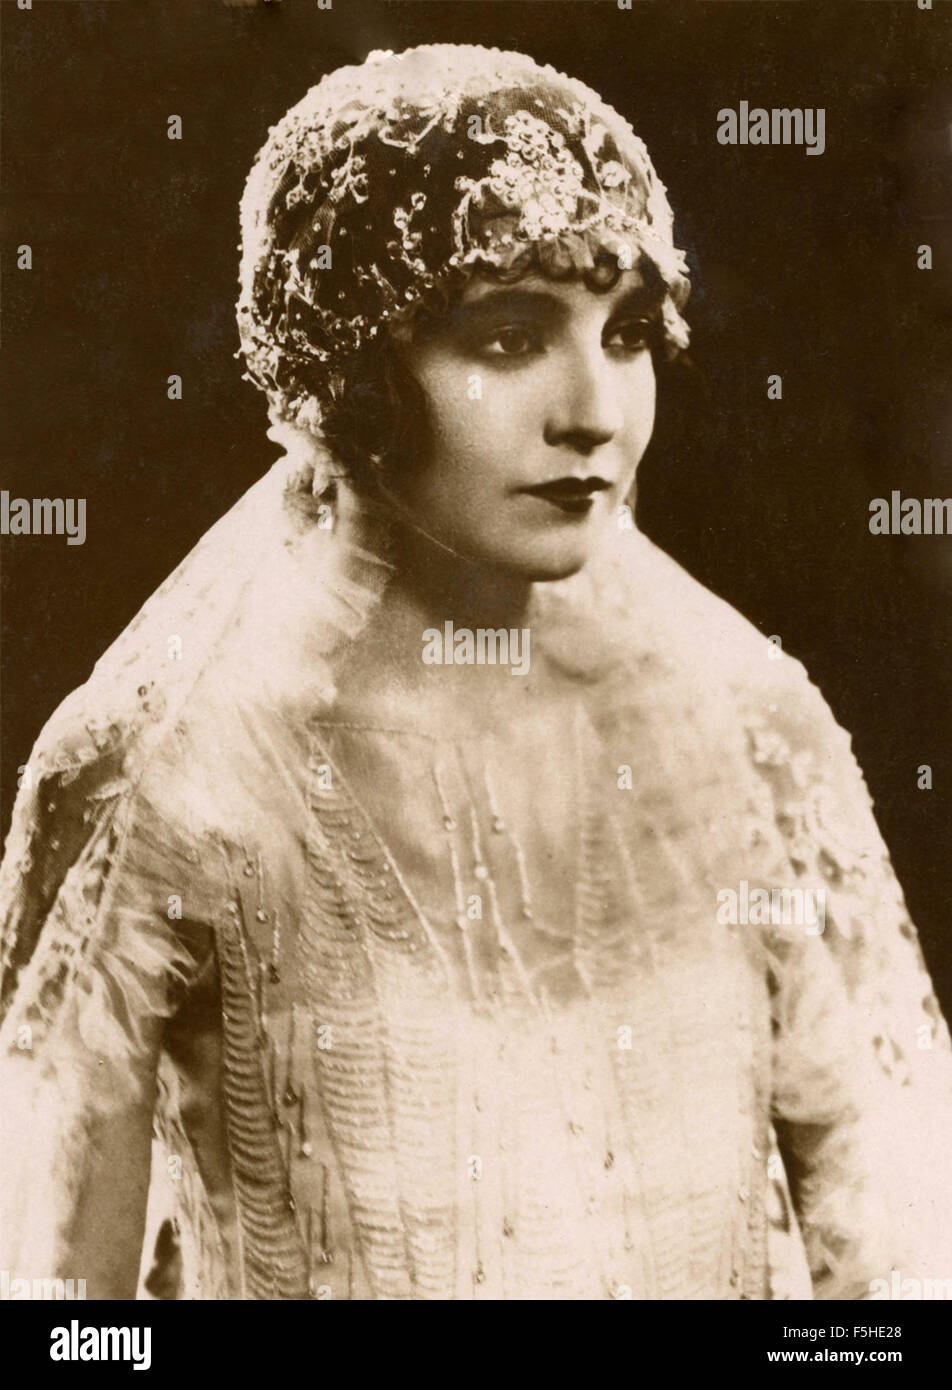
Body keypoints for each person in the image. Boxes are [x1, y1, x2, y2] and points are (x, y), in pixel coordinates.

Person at [1, 43, 950, 1302]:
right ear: (349, 373)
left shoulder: (747, 734)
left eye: (625, 334)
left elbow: (895, 1284)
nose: (594, 411)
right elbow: (64, 1329)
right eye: (507, 338)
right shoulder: (165, 781)